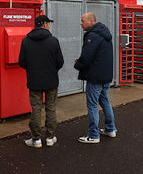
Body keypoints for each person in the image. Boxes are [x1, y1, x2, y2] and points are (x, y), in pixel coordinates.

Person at [19, 15, 64, 148]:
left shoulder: (26, 41)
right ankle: (50, 137)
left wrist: (33, 69)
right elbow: (60, 62)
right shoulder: (53, 41)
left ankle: (36, 139)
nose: (49, 25)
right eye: (49, 23)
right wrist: (51, 69)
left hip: (34, 80)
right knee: (51, 108)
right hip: (51, 80)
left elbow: (22, 62)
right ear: (44, 24)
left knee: (36, 109)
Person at [74, 12, 116, 144]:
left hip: (95, 77)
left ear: (91, 22)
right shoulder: (104, 33)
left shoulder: (92, 36)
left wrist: (78, 64)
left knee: (92, 105)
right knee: (105, 101)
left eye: (82, 21)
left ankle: (93, 135)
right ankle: (110, 129)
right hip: (105, 75)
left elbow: (87, 57)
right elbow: (98, 55)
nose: (81, 23)